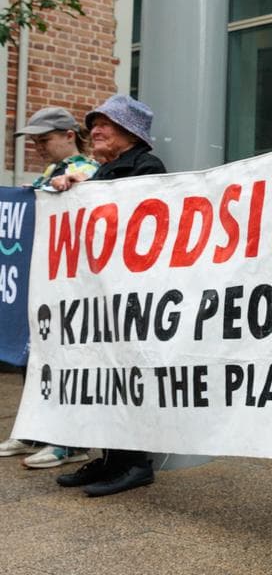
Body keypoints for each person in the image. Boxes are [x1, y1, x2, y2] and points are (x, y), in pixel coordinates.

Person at [50, 94, 165, 497]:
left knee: (127, 376)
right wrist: (70, 188)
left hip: (129, 295)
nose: (95, 131)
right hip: (101, 293)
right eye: (94, 124)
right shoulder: (103, 172)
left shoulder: (146, 168)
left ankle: (135, 463)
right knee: (104, 377)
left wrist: (86, 189)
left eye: (107, 124)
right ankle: (111, 458)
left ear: (131, 132)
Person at [3, 107, 99, 469]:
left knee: (64, 360)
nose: (39, 148)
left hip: (70, 283)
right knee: (36, 355)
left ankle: (69, 441)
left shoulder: (86, 170)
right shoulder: (52, 173)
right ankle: (34, 429)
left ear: (68, 135)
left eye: (44, 140)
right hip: (46, 279)